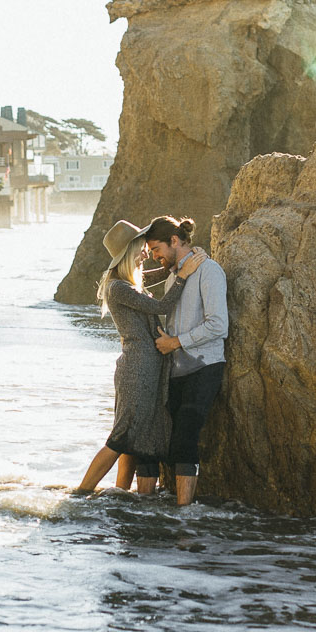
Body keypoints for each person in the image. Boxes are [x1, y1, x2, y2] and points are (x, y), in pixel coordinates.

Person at [72, 219, 204, 497]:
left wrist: (178, 267)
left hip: (146, 365)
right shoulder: (119, 287)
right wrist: (183, 276)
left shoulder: (128, 283)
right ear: (128, 251)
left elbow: (156, 280)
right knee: (122, 436)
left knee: (135, 436)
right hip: (138, 368)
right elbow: (162, 306)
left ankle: (120, 493)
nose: (146, 251)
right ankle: (80, 494)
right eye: (141, 247)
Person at [142, 216, 227, 507]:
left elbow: (218, 325)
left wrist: (175, 342)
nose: (155, 256)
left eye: (156, 249)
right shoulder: (171, 278)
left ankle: (184, 513)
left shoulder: (209, 271)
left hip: (205, 366)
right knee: (164, 441)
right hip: (176, 370)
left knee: (186, 437)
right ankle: (167, 508)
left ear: (174, 241)